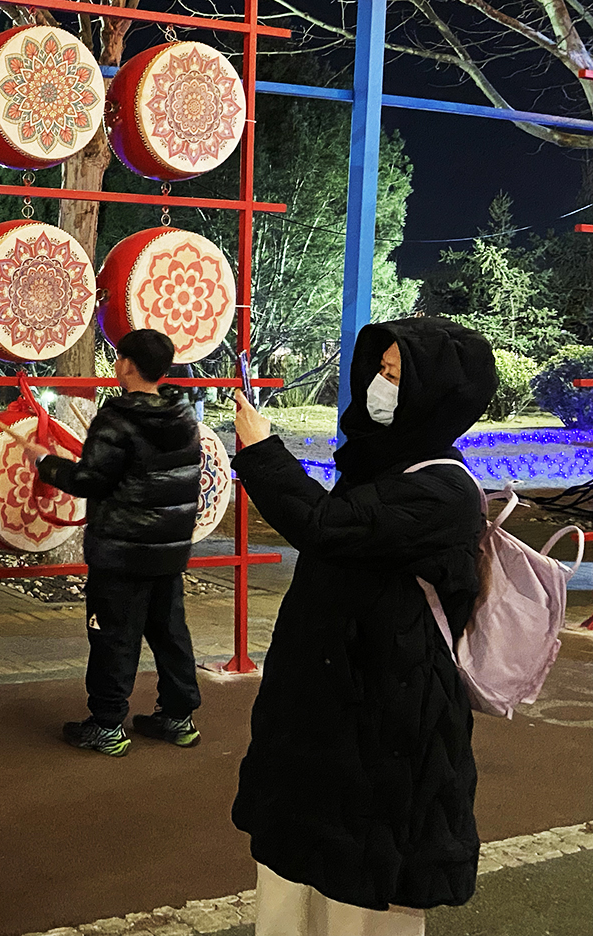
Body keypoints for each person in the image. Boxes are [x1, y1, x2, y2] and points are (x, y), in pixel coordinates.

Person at [229, 317, 495, 936]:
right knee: (295, 866)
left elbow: (326, 525)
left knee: (366, 880)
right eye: (378, 369)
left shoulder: (442, 491)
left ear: (434, 393)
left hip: (387, 721)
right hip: (326, 706)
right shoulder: (375, 465)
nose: (378, 384)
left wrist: (262, 452)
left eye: (395, 375)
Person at [31, 328, 203, 757]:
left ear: (127, 364)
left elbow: (90, 480)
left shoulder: (119, 417)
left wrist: (45, 464)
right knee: (169, 631)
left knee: (113, 636)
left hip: (122, 549)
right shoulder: (183, 414)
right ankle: (178, 716)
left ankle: (107, 725)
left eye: (119, 357)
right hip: (168, 548)